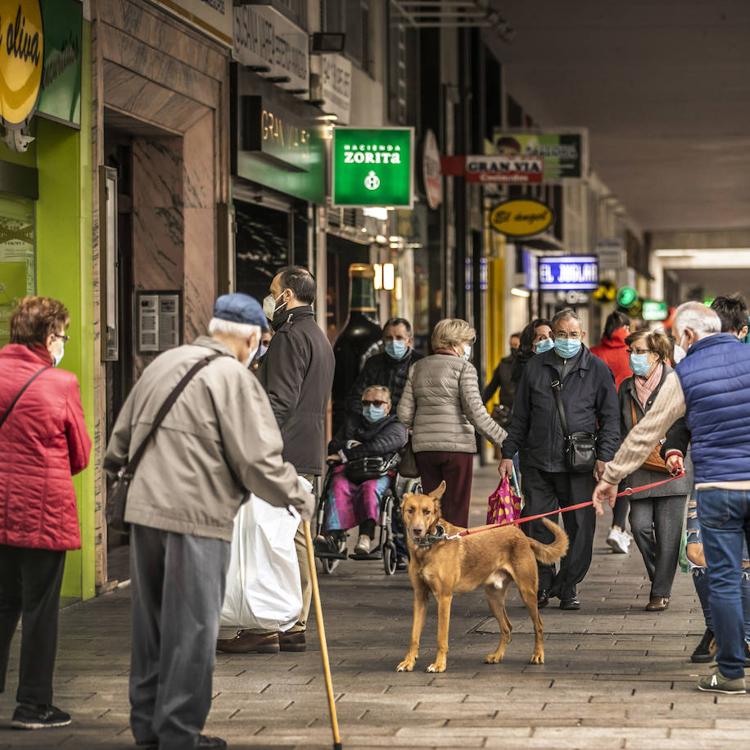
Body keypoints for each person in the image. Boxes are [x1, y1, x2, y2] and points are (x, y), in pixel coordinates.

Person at [104, 293, 313, 750]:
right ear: (254, 338)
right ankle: (180, 733)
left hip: (143, 514)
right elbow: (258, 461)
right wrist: (299, 496)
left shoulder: (162, 364)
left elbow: (117, 445)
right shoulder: (234, 379)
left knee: (151, 624)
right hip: (197, 518)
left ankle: (147, 727)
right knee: (194, 626)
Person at [593, 301, 750, 695]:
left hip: (719, 492)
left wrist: (611, 475)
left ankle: (731, 674)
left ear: (687, 335)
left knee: (726, 581)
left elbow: (647, 433)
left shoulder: (687, 373)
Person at [223, 266, 334, 655]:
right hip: (304, 450)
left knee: (271, 540)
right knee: (295, 537)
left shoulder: (289, 337)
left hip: (282, 451)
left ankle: (268, 624)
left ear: (287, 296)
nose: (269, 299)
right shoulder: (318, 337)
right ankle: (293, 623)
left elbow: (279, 401)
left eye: (273, 291)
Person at [0, 296, 91, 731]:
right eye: (63, 335)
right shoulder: (60, 383)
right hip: (42, 512)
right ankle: (33, 705)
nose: (63, 343)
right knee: (39, 610)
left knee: (1, 604)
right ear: (49, 336)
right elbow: (80, 454)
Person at [499, 309, 619, 611]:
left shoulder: (597, 369)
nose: (567, 340)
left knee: (580, 529)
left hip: (578, 465)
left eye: (573, 334)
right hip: (538, 461)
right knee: (538, 526)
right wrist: (507, 453)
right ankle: (543, 583)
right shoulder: (536, 367)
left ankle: (567, 585)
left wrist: (605, 457)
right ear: (553, 334)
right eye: (561, 334)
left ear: (583, 336)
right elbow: (520, 416)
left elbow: (610, 418)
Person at [661, 294, 750, 663]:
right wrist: (674, 449)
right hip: (712, 482)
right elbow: (681, 418)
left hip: (727, 484)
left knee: (734, 569)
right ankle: (721, 630)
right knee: (699, 558)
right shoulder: (695, 368)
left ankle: (737, 644)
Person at [398, 318, 506, 528]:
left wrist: (422, 425)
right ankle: (453, 557)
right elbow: (475, 411)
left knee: (432, 508)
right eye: (467, 342)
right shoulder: (464, 368)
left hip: (425, 450)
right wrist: (503, 439)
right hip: (456, 450)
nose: (468, 348)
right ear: (456, 342)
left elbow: (404, 413)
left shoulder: (418, 367)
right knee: (456, 511)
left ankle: (434, 555)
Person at [615, 330, 692, 611]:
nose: (633, 357)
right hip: (639, 468)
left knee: (669, 534)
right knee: (639, 527)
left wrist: (674, 451)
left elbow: (685, 423)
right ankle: (662, 574)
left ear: (656, 355)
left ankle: (660, 591)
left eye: (638, 351)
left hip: (672, 467)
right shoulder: (625, 387)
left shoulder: (678, 382)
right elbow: (619, 428)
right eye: (631, 352)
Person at [321, 386, 408, 554]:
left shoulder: (396, 427)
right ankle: (333, 536)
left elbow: (376, 447)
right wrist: (348, 444)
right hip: (350, 471)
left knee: (370, 489)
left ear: (388, 407)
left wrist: (344, 454)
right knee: (338, 486)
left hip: (378, 471)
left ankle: (366, 536)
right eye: (366, 403)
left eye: (377, 403)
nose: (371, 407)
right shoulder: (353, 422)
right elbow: (333, 445)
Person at [344, 317, 422, 427]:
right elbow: (355, 398)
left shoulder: (420, 364)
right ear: (383, 340)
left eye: (399, 337)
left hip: (408, 430)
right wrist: (369, 416)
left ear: (409, 341)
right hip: (375, 428)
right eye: (389, 338)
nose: (394, 342)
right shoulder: (373, 363)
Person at [591, 311, 632, 388]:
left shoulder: (593, 352)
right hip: (627, 397)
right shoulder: (634, 352)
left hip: (601, 398)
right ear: (626, 328)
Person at [483, 331, 521, 405]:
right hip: (505, 409)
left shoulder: (529, 364)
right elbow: (491, 387)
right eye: (511, 345)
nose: (513, 348)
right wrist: (480, 403)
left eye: (516, 345)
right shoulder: (503, 364)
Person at [511, 318, 553, 385]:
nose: (549, 341)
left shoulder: (557, 364)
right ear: (529, 344)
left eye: (551, 337)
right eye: (542, 338)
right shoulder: (525, 370)